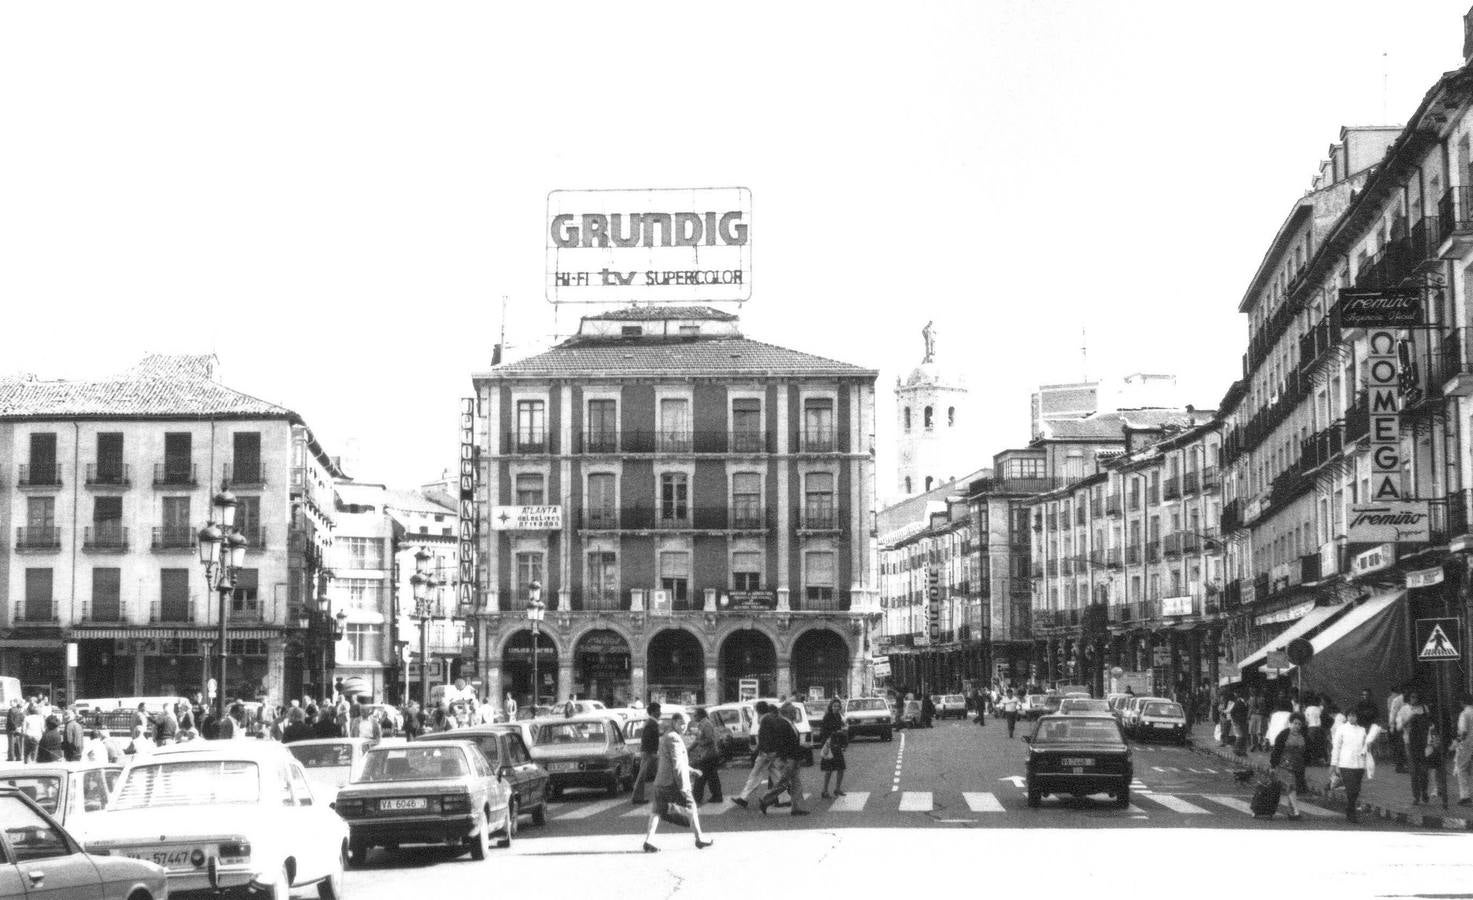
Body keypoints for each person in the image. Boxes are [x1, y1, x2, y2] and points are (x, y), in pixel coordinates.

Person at [642, 711, 712, 852]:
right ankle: (699, 838)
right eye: (681, 724)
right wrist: (683, 786)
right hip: (672, 783)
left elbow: (673, 761)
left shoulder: (667, 736)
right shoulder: (674, 738)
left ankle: (649, 841)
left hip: (661, 782)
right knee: (691, 808)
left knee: (656, 811)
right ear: (674, 722)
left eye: (686, 724)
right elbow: (677, 764)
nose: (684, 727)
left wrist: (691, 770)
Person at [758, 700, 809, 816]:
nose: (795, 713)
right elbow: (781, 743)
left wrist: (800, 748)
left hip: (793, 758)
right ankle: (765, 800)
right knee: (784, 784)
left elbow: (792, 742)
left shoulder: (790, 723)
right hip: (788, 759)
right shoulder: (782, 724)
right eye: (793, 711)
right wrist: (786, 759)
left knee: (795, 784)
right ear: (787, 713)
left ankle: (796, 808)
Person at [732, 702, 782, 809]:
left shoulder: (765, 720)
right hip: (772, 752)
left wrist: (758, 750)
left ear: (758, 710)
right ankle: (785, 797)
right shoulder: (771, 719)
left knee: (755, 775)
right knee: (777, 776)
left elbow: (764, 738)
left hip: (765, 753)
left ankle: (743, 798)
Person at [1330, 708, 1370, 823]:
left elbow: (1365, 746)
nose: (1352, 718)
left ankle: (1350, 808)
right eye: (1350, 716)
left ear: (1357, 717)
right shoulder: (1341, 729)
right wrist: (1334, 764)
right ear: (1347, 717)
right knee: (1351, 789)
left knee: (1356, 789)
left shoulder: (1362, 730)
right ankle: (1351, 811)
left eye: (1354, 716)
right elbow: (1336, 747)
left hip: (1359, 764)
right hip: (1345, 763)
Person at [1269, 713, 1308, 819]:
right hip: (1284, 765)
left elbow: (1307, 751)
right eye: (1295, 723)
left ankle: (1291, 812)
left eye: (1299, 724)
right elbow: (1276, 750)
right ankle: (1296, 811)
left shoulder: (1303, 736)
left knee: (1293, 788)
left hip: (1298, 766)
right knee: (1291, 786)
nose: (1297, 726)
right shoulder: (1283, 734)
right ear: (1290, 723)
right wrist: (1273, 765)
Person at [1401, 690, 1431, 805]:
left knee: (1424, 770)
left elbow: (1429, 723)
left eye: (1416, 697)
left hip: (1423, 743)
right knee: (1414, 771)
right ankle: (1416, 797)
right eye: (1412, 697)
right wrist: (1410, 719)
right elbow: (1401, 726)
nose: (1414, 699)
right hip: (1410, 743)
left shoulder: (1424, 708)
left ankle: (1424, 792)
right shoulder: (1405, 709)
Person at [688, 708, 723, 805]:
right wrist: (689, 748)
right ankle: (717, 795)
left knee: (700, 776)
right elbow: (698, 739)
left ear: (700, 715)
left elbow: (710, 739)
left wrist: (701, 743)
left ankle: (697, 797)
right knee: (712, 776)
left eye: (695, 715)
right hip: (707, 754)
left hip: (709, 754)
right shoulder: (701, 725)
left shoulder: (706, 724)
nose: (694, 717)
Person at [630, 702, 662, 805]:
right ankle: (637, 797)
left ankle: (639, 796)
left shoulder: (651, 723)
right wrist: (652, 752)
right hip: (649, 753)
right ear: (653, 712)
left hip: (649, 752)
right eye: (658, 711)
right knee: (642, 776)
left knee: (652, 775)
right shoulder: (651, 723)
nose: (660, 713)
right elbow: (647, 739)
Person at [817, 699, 848, 799]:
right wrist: (836, 732)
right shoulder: (827, 717)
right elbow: (823, 732)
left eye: (838, 706)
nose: (836, 708)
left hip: (837, 745)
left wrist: (843, 743)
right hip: (829, 745)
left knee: (841, 768)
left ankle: (837, 789)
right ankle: (824, 791)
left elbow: (841, 729)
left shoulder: (838, 716)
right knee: (828, 770)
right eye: (834, 706)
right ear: (831, 707)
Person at [1455, 694, 1473, 807]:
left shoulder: (1464, 714)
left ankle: (1465, 795)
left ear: (1463, 702)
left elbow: (1463, 731)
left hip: (1466, 744)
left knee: (1462, 769)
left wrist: (1456, 742)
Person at [1388, 686, 1408, 773]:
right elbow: (1393, 713)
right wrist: (1392, 725)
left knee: (1406, 745)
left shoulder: (1409, 699)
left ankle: (1406, 764)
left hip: (1408, 725)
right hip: (1399, 725)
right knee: (1400, 746)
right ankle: (1399, 766)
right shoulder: (1398, 700)